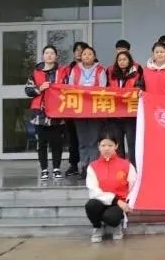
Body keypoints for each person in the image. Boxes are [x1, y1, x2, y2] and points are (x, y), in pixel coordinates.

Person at [85, 131, 136, 243]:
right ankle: (97, 227)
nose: (106, 148)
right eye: (103, 145)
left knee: (111, 217)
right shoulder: (92, 166)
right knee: (90, 205)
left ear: (116, 146)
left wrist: (127, 203)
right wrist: (115, 200)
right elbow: (93, 191)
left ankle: (116, 225)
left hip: (120, 204)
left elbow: (133, 186)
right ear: (98, 146)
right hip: (102, 201)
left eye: (110, 145)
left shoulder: (126, 165)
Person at [24, 45, 65, 181]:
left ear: (56, 56)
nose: (49, 55)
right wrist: (40, 88)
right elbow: (28, 90)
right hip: (40, 113)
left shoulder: (61, 72)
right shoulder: (36, 72)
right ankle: (44, 169)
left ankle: (57, 168)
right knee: (41, 143)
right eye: (47, 53)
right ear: (43, 56)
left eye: (52, 53)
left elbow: (68, 87)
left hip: (57, 112)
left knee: (57, 142)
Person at [66, 45, 107, 178]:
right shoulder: (75, 69)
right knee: (82, 140)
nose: (87, 56)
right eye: (84, 54)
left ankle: (93, 168)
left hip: (95, 109)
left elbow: (103, 88)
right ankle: (84, 166)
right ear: (81, 56)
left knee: (93, 140)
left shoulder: (100, 70)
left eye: (90, 54)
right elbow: (70, 87)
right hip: (79, 109)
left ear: (94, 56)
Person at [108, 50, 143, 168]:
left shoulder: (136, 74)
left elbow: (141, 88)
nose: (122, 62)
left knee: (132, 145)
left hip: (130, 116)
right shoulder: (112, 75)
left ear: (129, 61)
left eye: (124, 59)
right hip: (115, 116)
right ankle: (120, 169)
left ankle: (134, 169)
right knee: (118, 145)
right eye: (119, 60)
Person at [63, 41, 89, 177]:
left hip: (90, 109)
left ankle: (89, 165)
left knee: (89, 139)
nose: (79, 52)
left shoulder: (96, 68)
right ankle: (73, 165)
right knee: (73, 138)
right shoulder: (69, 69)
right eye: (77, 50)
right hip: (73, 108)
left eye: (82, 50)